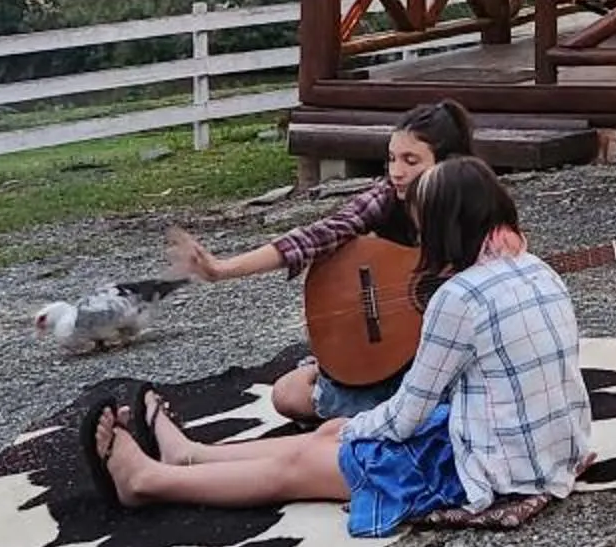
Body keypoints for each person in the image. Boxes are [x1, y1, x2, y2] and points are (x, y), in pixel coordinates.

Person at [93, 157, 594, 535]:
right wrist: (350, 426)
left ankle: (146, 483)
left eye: (423, 229)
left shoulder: (459, 296)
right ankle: (191, 455)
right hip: (544, 452)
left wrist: (357, 428)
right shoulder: (537, 268)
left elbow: (404, 418)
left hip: (489, 472)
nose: (420, 240)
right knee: (334, 429)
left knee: (305, 465)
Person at [165, 98, 478, 425]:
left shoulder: (477, 209)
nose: (396, 172)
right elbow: (317, 236)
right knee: (287, 394)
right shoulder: (387, 196)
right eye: (391, 159)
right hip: (399, 358)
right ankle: (351, 377)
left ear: (447, 163)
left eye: (410, 161)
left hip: (452, 363)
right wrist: (222, 269)